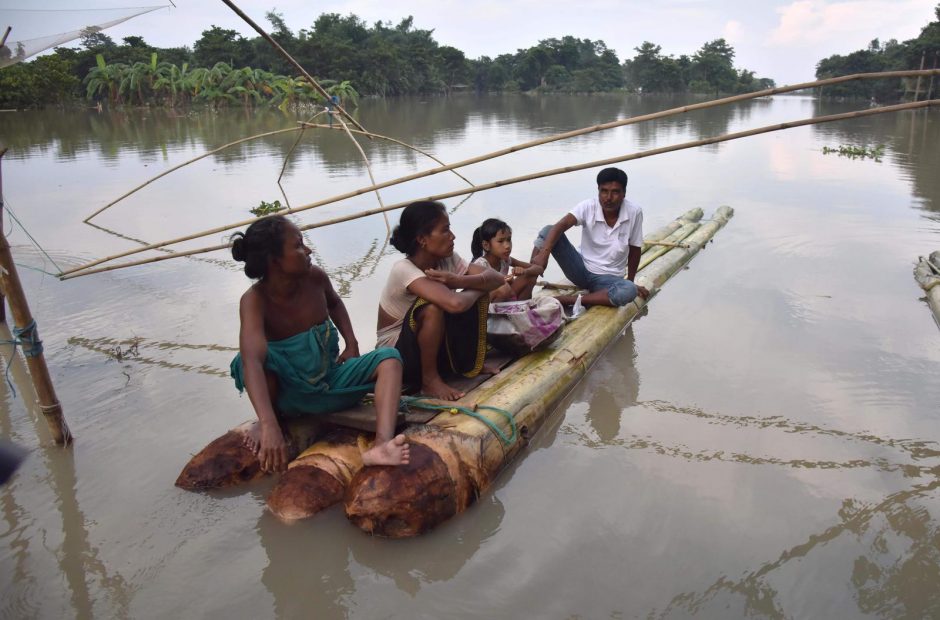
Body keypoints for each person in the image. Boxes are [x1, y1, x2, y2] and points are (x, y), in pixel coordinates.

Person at [230, 215, 409, 473]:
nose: (308, 250)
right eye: (298, 245)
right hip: (288, 396)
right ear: (274, 261)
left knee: (389, 358)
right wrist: (269, 424)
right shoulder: (254, 300)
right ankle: (269, 421)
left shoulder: (315, 277)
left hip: (330, 381)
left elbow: (335, 303)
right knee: (251, 359)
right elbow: (252, 361)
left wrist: (351, 343)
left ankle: (382, 445)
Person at [377, 201, 505, 401]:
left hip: (428, 346)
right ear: (422, 239)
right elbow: (454, 304)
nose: (452, 236)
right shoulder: (403, 269)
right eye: (445, 231)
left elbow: (497, 279)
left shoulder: (448, 259)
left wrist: (460, 280)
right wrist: (478, 290)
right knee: (433, 307)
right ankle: (429, 381)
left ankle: (469, 363)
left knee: (473, 292)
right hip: (396, 354)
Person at [531, 167, 650, 307]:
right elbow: (561, 225)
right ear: (598, 191)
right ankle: (528, 283)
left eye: (615, 192)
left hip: (608, 280)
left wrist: (630, 282)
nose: (608, 198)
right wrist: (543, 256)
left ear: (624, 193)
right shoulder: (588, 206)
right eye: (604, 191)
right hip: (580, 269)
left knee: (628, 290)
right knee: (548, 230)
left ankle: (568, 300)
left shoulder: (634, 212)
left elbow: (635, 249)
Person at [470, 218, 544, 302]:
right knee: (503, 287)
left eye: (508, 240)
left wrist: (524, 272)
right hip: (488, 306)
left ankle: (522, 308)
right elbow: (476, 295)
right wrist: (501, 282)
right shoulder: (480, 265)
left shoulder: (505, 260)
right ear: (486, 245)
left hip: (506, 299)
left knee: (530, 276)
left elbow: (539, 269)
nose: (507, 246)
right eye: (500, 241)